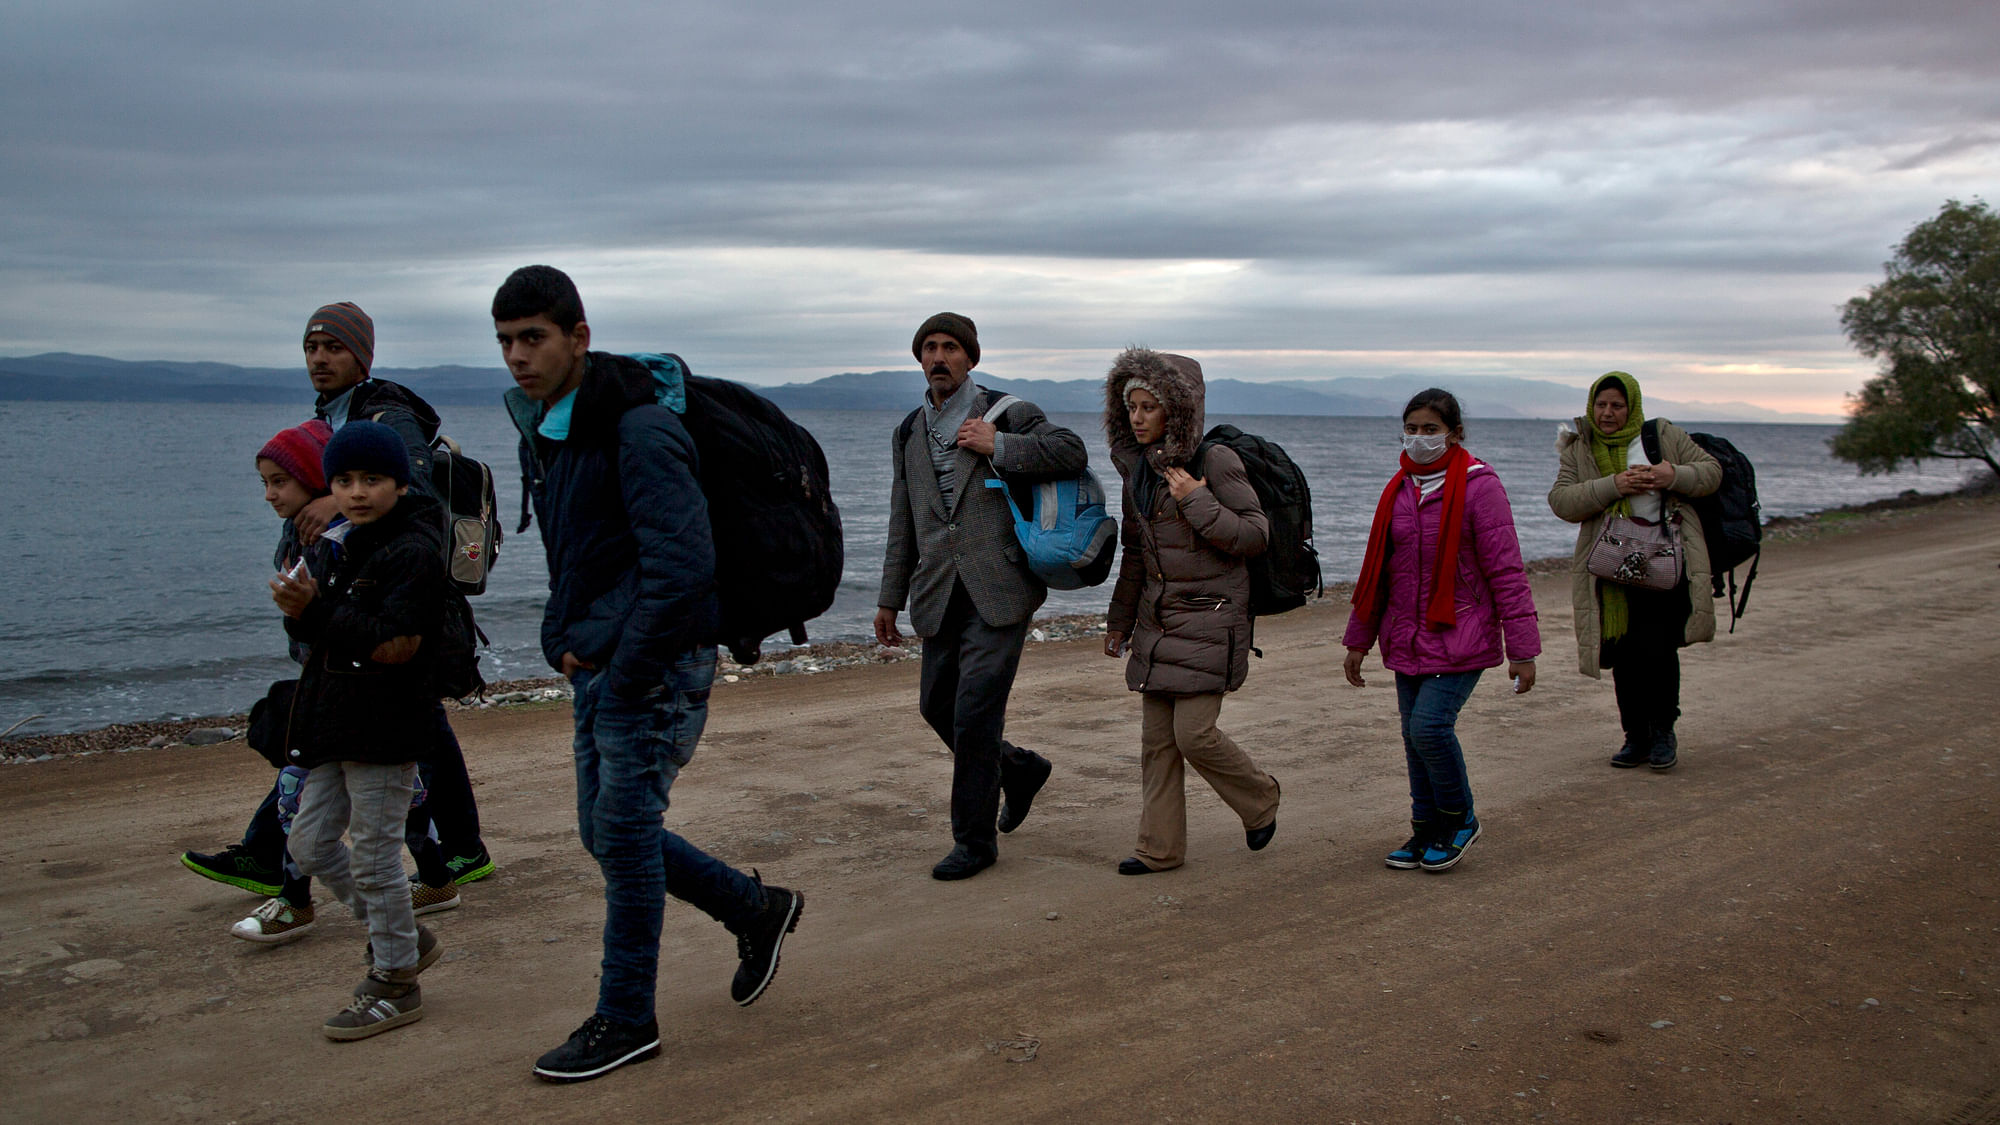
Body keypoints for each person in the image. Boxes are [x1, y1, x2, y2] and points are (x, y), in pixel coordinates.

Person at [494, 265, 803, 1084]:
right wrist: (559, 633)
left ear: (578, 338)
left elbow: (682, 566)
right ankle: (754, 906)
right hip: (606, 659)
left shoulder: (637, 429)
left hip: (656, 666)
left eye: (534, 338)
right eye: (505, 342)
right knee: (603, 830)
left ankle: (626, 1016)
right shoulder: (557, 425)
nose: (518, 357)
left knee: (623, 835)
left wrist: (625, 668)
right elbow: (582, 554)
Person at [874, 312, 1088, 881]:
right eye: (928, 348)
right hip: (939, 591)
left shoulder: (1009, 411)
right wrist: (888, 597)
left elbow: (1071, 451)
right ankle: (1018, 771)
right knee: (936, 707)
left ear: (970, 357)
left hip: (1001, 589)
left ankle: (974, 842)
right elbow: (906, 519)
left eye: (949, 348)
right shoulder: (908, 430)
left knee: (974, 714)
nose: (938, 357)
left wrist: (1004, 445)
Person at [298, 301, 494, 885]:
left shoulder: (384, 411)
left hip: (396, 596)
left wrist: (338, 497)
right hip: (375, 593)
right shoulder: (343, 411)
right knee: (419, 724)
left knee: (393, 723)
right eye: (312, 348)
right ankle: (458, 850)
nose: (320, 359)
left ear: (363, 355)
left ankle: (278, 856)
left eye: (334, 347)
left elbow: (415, 484)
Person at [271, 421, 450, 1040]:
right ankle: (403, 936)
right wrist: (303, 612)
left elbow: (396, 646)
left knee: (375, 862)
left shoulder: (414, 551)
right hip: (334, 726)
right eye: (343, 480)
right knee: (309, 845)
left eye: (372, 479)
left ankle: (396, 980)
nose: (356, 491)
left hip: (385, 729)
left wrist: (314, 610)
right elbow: (326, 636)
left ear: (400, 484)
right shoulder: (342, 542)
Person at [1342, 390, 1540, 872]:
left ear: (1455, 433)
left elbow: (1507, 571)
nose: (1419, 438)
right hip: (1406, 636)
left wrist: (1523, 649)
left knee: (1430, 728)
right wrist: (1358, 640)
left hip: (1463, 634)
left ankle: (1459, 820)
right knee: (1414, 737)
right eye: (1412, 428)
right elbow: (1381, 573)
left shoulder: (1480, 487)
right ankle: (1424, 830)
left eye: (1431, 429)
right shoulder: (1400, 489)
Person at [1100, 348, 1281, 875]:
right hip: (1157, 625)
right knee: (1157, 743)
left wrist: (1198, 501)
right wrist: (1118, 622)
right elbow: (1137, 553)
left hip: (1211, 621)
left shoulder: (1215, 461)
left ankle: (1260, 799)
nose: (1136, 417)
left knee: (1194, 734)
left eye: (1148, 406)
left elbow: (1255, 535)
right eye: (1129, 406)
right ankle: (1159, 849)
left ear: (1175, 410)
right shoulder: (1137, 470)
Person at [1548, 371, 1720, 770]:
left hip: (1665, 561)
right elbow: (1562, 502)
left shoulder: (1662, 437)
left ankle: (1663, 732)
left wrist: (1671, 475)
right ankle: (1635, 737)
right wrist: (1615, 484)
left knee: (1658, 650)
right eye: (1601, 405)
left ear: (1633, 407)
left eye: (1617, 405)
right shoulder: (1580, 448)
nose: (1607, 413)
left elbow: (1711, 473)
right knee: (1623, 653)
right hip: (1609, 567)